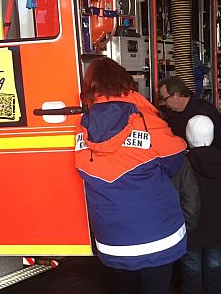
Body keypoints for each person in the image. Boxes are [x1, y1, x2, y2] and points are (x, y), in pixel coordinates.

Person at [75, 57, 187, 294]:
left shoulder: (81, 129)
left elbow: (83, 170)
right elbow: (175, 162)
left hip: (112, 240)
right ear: (125, 82)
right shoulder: (147, 121)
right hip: (159, 235)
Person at [181, 115, 221, 294]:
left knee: (191, 278)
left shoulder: (182, 163)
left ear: (187, 135)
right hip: (218, 228)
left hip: (190, 230)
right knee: (215, 276)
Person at [159, 76, 221, 151]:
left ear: (176, 95)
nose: (165, 103)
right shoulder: (170, 113)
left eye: (165, 99)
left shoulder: (203, 111)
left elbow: (220, 143)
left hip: (208, 158)